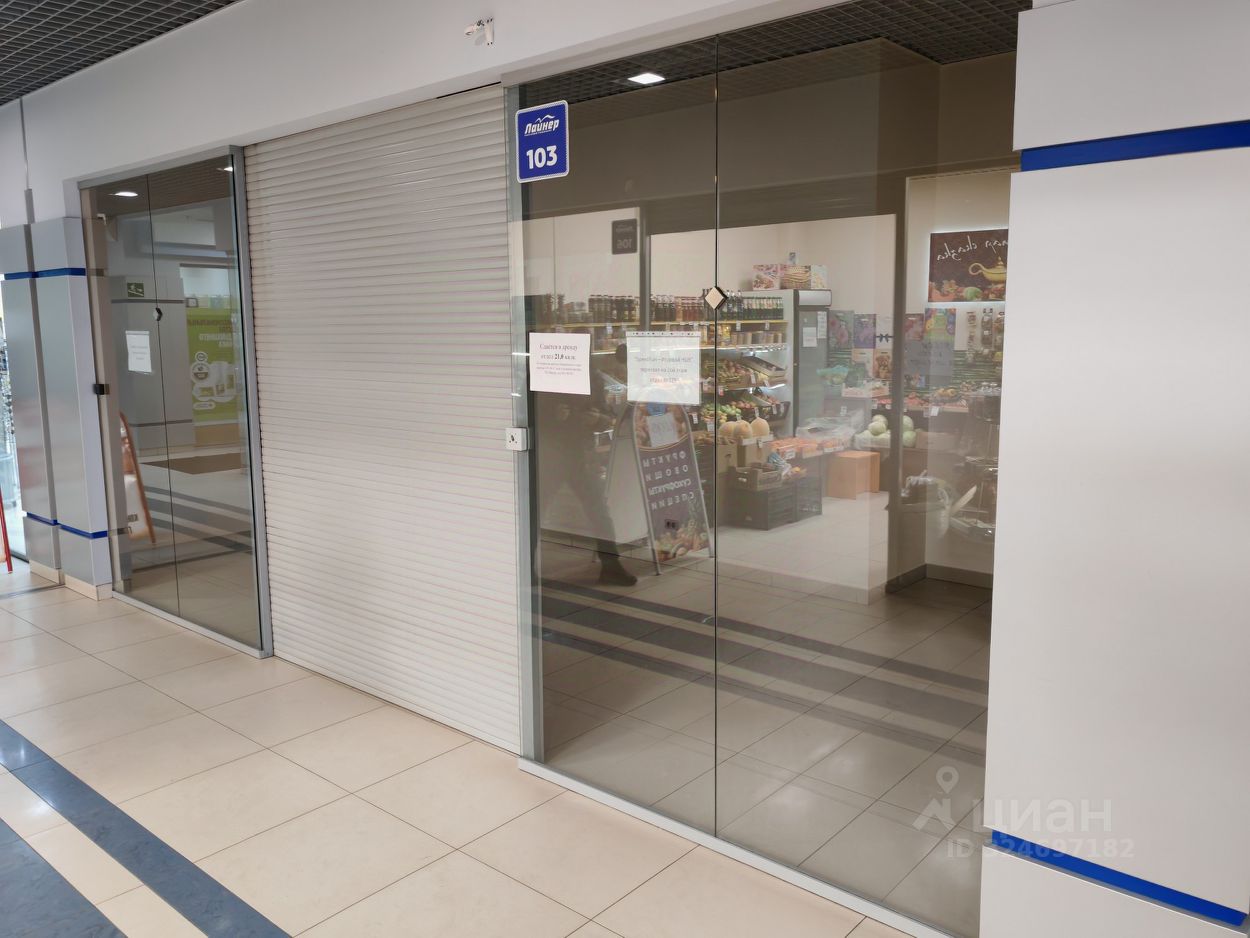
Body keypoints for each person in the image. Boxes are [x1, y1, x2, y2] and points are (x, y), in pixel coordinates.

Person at [535, 344, 638, 586]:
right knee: (537, 510)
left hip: (581, 454)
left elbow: (606, 415)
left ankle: (611, 566)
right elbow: (525, 412)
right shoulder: (543, 378)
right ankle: (524, 565)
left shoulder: (593, 380)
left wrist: (596, 419)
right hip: (551, 455)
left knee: (598, 510)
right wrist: (551, 416)